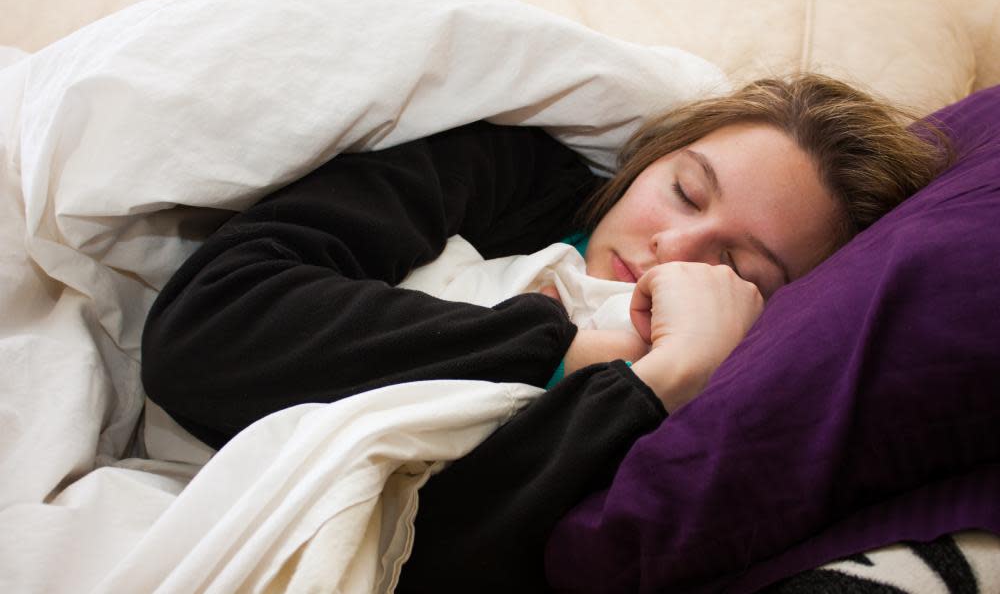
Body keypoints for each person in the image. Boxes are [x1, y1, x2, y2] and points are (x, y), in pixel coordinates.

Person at [140, 73, 949, 591]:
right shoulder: (502, 175)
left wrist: (657, 387)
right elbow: (209, 326)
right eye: (685, 193)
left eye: (739, 264)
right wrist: (576, 349)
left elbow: (446, 553)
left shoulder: (718, 398)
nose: (674, 247)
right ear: (644, 161)